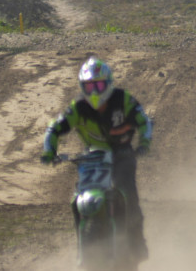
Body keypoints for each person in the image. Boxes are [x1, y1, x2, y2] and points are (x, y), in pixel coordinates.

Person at [41, 57, 152, 262]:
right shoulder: (78, 107)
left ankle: (137, 244)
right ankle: (82, 248)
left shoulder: (123, 99)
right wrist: (49, 151)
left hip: (122, 155)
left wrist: (144, 143)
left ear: (108, 84)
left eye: (99, 85)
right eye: (89, 86)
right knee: (77, 198)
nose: (94, 92)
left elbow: (143, 120)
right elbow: (55, 127)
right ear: (82, 87)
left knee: (127, 192)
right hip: (93, 157)